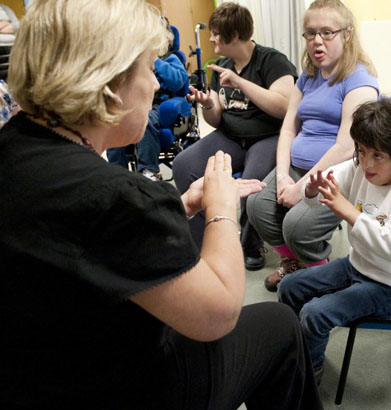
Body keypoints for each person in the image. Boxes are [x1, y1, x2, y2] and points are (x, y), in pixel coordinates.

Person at [0, 1, 323, 409]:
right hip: (122, 386)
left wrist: (179, 204)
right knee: (280, 324)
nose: (155, 86)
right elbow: (219, 314)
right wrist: (222, 208)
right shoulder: (116, 194)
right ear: (107, 83)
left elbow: (92, 238)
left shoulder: (15, 146)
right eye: (150, 69)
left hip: (41, 369)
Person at [278, 98, 391, 384]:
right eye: (361, 152)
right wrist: (311, 190)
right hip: (359, 266)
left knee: (314, 314)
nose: (365, 163)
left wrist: (347, 211)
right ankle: (296, 351)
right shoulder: (361, 168)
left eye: (377, 156)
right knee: (289, 287)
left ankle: (310, 374)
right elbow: (317, 199)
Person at [246, 0, 379, 291]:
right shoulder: (308, 76)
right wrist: (282, 175)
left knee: (297, 225)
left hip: (335, 175)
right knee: (257, 205)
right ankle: (295, 262)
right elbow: (288, 128)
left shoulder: (360, 80)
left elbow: (347, 146)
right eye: (310, 33)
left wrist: (301, 185)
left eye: (327, 32)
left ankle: (321, 274)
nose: (317, 41)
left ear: (346, 34)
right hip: (296, 168)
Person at [172, 2, 298, 270]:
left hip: (267, 136)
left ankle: (250, 245)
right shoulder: (221, 66)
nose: (211, 38)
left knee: (251, 184)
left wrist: (240, 82)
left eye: (217, 33)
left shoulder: (271, 61)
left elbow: (284, 105)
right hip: (230, 137)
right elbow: (216, 117)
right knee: (183, 165)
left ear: (234, 35)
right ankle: (201, 242)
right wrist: (207, 104)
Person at [106, 21, 188, 181]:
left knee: (146, 118)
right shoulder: (137, 62)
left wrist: (156, 60)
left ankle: (149, 170)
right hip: (137, 102)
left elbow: (177, 82)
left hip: (159, 105)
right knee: (115, 120)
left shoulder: (171, 58)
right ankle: (116, 171)